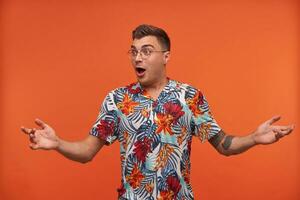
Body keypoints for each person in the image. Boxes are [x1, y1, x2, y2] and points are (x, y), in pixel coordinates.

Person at [21, 24, 294, 200]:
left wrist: (254, 138)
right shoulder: (117, 99)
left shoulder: (189, 97)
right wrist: (56, 144)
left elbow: (223, 144)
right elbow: (87, 152)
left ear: (166, 56)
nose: (138, 57)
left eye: (146, 51)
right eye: (133, 51)